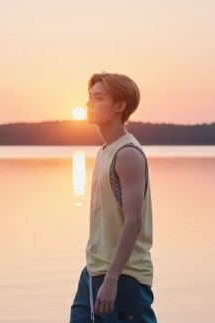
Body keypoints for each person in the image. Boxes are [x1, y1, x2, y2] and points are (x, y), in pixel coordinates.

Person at [69, 73, 156, 323]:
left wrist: (112, 279)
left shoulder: (128, 154)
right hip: (93, 272)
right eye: (90, 97)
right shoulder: (105, 152)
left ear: (119, 105)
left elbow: (133, 222)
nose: (89, 103)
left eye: (98, 98)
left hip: (124, 278)